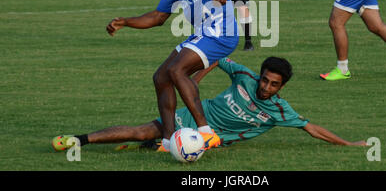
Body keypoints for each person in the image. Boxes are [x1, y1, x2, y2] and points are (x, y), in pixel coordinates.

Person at [52, 57, 367, 152]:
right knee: (142, 129)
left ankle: (158, 145)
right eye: (265, 80)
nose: (266, 87)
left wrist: (351, 143)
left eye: (274, 85)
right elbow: (216, 57)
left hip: (210, 141)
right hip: (191, 119)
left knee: (177, 149)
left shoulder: (280, 111)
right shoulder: (244, 76)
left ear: (281, 87)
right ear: (259, 76)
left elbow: (312, 128)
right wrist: (194, 81)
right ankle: (77, 140)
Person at [103, 0, 239, 152]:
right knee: (161, 77)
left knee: (177, 69)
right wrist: (126, 22)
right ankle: (168, 141)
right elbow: (158, 17)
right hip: (204, 33)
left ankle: (207, 133)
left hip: (222, 31)